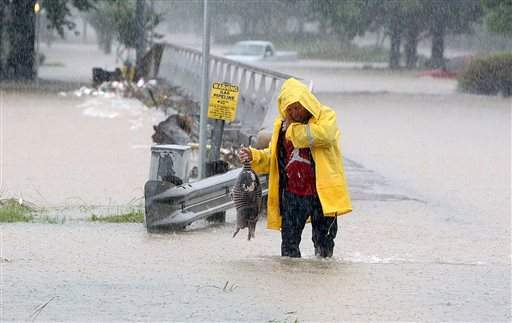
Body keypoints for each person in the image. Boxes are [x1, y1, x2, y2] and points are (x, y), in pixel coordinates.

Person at [239, 78, 352, 258]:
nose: (294, 112)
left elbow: (324, 136)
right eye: (289, 109)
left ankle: (321, 281)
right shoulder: (282, 126)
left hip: (322, 195)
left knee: (324, 248)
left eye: (297, 107)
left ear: (307, 103)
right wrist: (255, 155)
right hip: (293, 195)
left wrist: (292, 129)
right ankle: (290, 280)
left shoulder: (326, 117)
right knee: (288, 248)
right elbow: (275, 158)